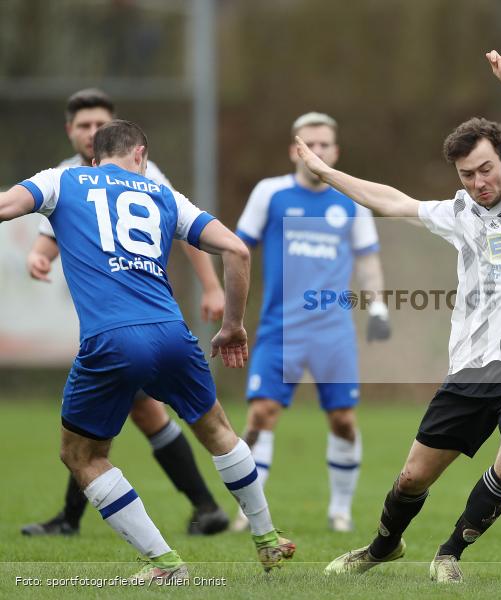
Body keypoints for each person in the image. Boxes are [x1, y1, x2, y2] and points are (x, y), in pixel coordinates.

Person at [304, 51, 501, 583]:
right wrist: (326, 172)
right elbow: (390, 202)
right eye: (467, 175)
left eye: (486, 168)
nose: (479, 182)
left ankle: (450, 553)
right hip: (471, 371)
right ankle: (383, 546)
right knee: (412, 477)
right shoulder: (458, 212)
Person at [0, 120, 294, 582]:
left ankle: (165, 565)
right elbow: (237, 249)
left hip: (111, 339)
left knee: (83, 456)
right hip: (172, 333)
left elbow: (5, 207)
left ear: (94, 157)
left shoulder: (61, 179)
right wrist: (233, 326)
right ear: (140, 154)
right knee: (217, 429)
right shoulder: (162, 193)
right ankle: (267, 537)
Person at [20, 88, 229, 537]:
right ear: (71, 132)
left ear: (115, 131)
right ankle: (205, 507)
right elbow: (47, 232)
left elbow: (189, 228)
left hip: (132, 317)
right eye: (83, 126)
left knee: (98, 428)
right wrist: (40, 256)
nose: (92, 132)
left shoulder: (143, 171)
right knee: (133, 417)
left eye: (100, 124)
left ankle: (82, 520)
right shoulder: (63, 175)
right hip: (113, 320)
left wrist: (212, 285)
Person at [231, 112, 389, 534]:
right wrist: (231, 306)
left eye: (325, 145)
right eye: (310, 145)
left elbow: (368, 259)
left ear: (335, 152)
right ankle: (249, 510)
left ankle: (340, 509)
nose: (317, 152)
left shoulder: (350, 200)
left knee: (343, 420)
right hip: (278, 328)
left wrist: (377, 309)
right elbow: (237, 249)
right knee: (261, 415)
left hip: (332, 330)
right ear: (294, 151)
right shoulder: (271, 194)